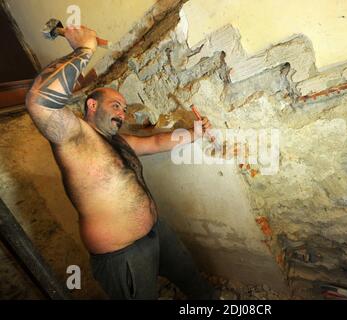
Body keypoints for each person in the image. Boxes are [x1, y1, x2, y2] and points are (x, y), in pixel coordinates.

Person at [26, 25, 216, 299]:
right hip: (121, 255)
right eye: (116, 106)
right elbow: (39, 102)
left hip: (157, 231)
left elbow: (155, 143)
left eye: (124, 110)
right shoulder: (75, 137)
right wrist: (85, 48)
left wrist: (194, 134)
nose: (122, 114)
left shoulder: (120, 141)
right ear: (92, 105)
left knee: (192, 279)